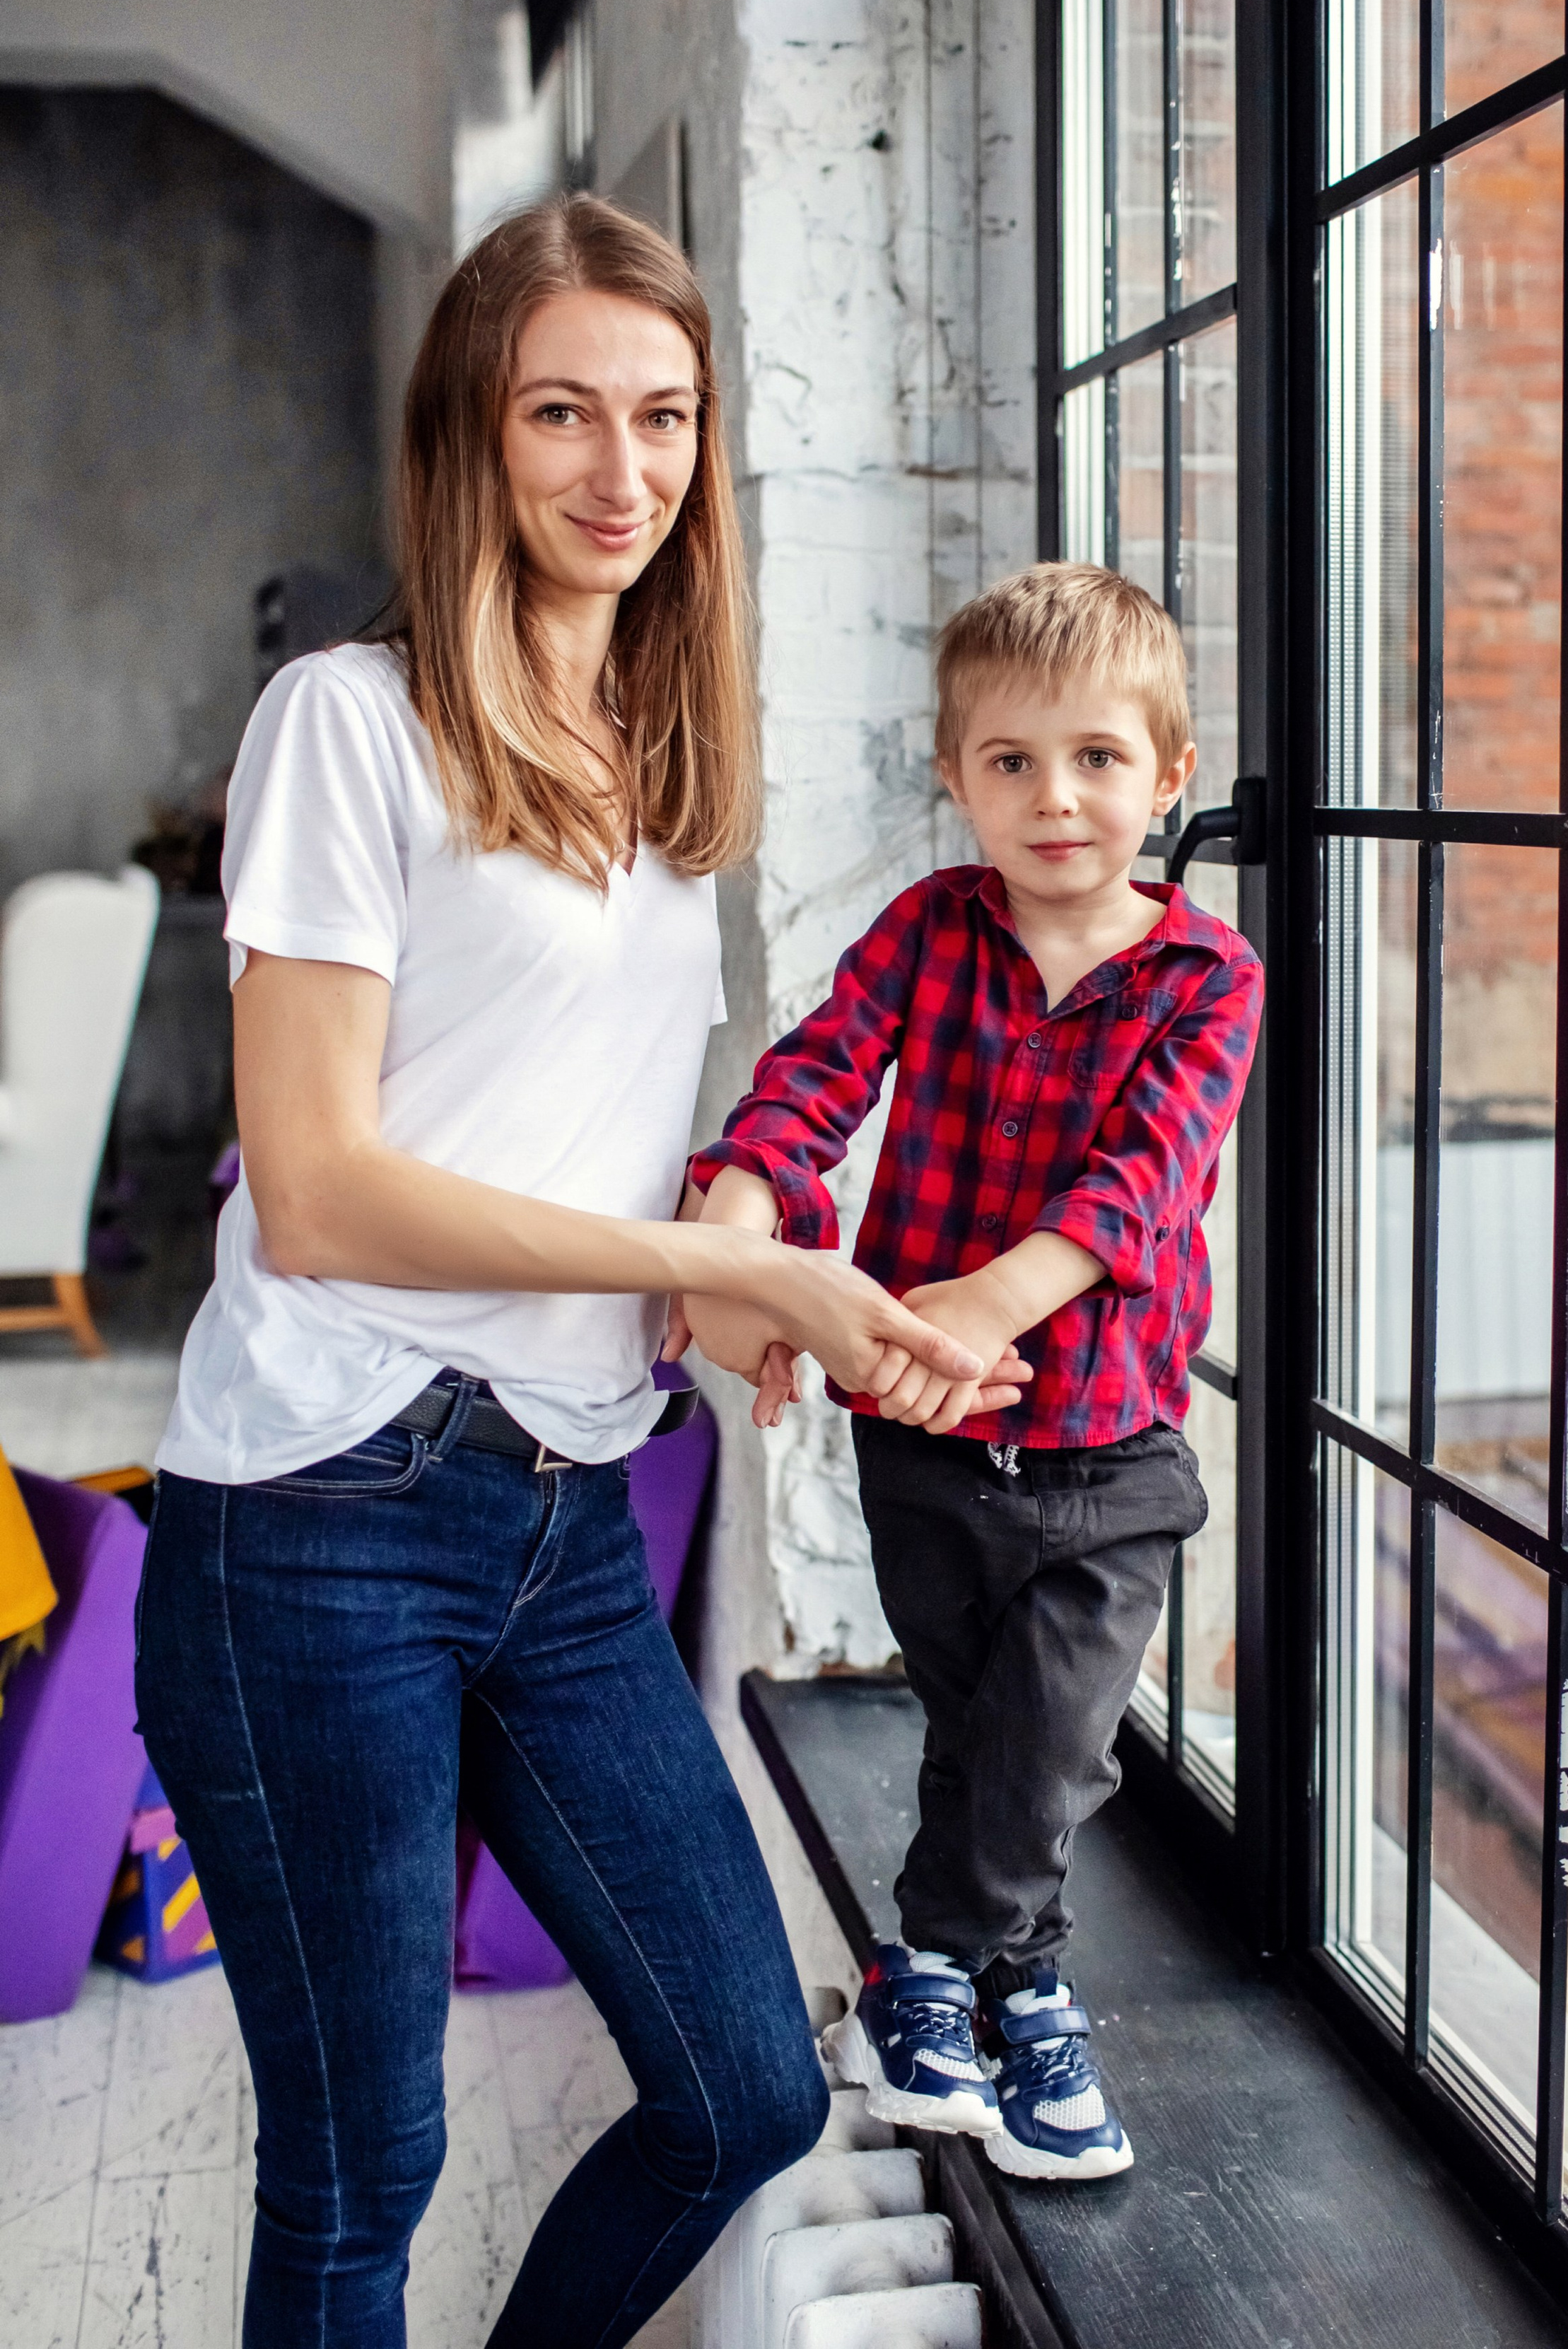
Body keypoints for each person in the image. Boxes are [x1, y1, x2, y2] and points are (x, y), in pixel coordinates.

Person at [134, 196, 1024, 2349]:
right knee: (362, 2173)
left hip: (564, 1509)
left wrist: (779, 1292)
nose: (622, 473)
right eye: (563, 414)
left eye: (665, 417)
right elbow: (331, 1187)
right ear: (471, 430)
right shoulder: (346, 727)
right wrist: (734, 1270)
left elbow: (591, 1153)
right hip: (321, 1514)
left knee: (736, 2092)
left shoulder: (656, 764)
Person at [687, 561, 1263, 2181]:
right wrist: (751, 1245)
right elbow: (811, 1079)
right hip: (924, 1447)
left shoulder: (1205, 979)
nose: (1054, 797)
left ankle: (924, 1966)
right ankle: (1009, 1988)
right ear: (955, 779)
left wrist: (975, 1312)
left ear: (1169, 775)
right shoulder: (928, 930)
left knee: (1054, 1745)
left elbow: (1134, 1186)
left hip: (1106, 1451)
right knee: (977, 1732)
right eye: (1008, 761)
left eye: (1095, 757)